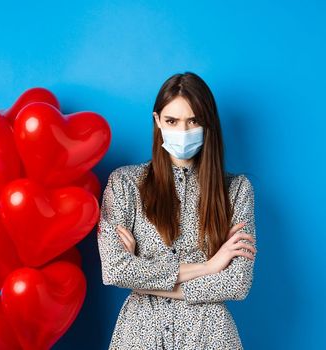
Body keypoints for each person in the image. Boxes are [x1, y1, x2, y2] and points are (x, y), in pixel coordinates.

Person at [96, 72, 256, 349]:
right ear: (157, 121)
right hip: (139, 336)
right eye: (172, 121)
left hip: (210, 336)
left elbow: (236, 283)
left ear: (208, 124)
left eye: (193, 121)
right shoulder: (124, 183)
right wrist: (208, 266)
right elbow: (114, 270)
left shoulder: (237, 190)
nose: (182, 132)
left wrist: (143, 278)